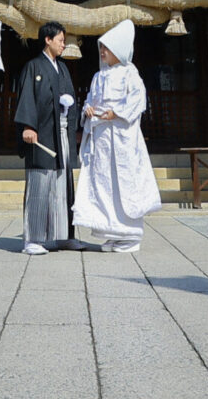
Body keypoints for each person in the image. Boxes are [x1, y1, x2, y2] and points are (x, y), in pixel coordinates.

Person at [75, 18, 161, 252]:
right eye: (101, 47)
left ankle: (130, 233)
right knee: (104, 182)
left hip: (122, 136)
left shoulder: (129, 72)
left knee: (124, 181)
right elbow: (90, 101)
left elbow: (138, 99)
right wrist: (88, 110)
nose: (102, 52)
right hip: (102, 136)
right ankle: (112, 231)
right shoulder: (97, 76)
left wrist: (117, 113)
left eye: (107, 48)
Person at [13, 20, 80, 255]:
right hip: (41, 135)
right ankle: (33, 238)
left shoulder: (61, 68)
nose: (64, 45)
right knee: (40, 184)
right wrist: (28, 126)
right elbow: (27, 98)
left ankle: (64, 236)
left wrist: (71, 111)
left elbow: (71, 98)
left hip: (61, 133)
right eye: (60, 40)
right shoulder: (33, 67)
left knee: (63, 185)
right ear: (47, 40)